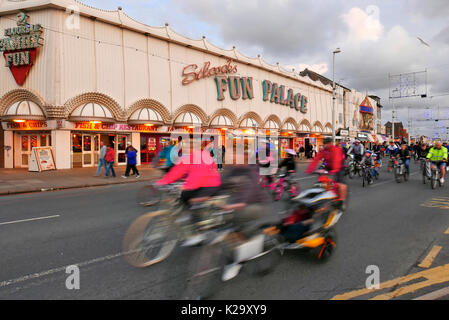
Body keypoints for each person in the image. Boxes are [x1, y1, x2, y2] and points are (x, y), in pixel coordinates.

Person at [156, 147, 221, 206]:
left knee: (193, 202)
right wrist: (163, 182)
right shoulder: (188, 158)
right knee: (184, 195)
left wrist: (187, 186)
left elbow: (198, 175)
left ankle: (196, 217)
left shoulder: (201, 158)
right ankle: (186, 212)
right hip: (200, 184)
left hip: (210, 185)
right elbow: (177, 171)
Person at [306, 137, 347, 204]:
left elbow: (337, 161)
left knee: (340, 183)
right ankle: (327, 190)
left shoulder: (336, 149)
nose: (324, 145)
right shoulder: (323, 150)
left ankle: (342, 200)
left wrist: (333, 171)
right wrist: (310, 170)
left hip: (339, 166)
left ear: (330, 143)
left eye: (326, 143)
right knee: (321, 176)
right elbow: (316, 159)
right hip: (328, 165)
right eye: (324, 143)